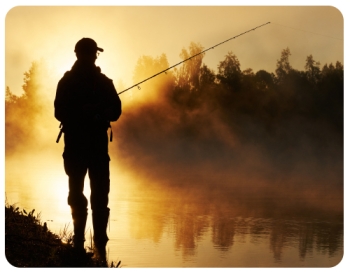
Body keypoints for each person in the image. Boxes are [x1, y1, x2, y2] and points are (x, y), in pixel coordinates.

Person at [54, 38, 122, 262]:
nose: (93, 57)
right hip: (80, 148)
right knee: (82, 194)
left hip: (88, 149)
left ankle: (95, 245)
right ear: (84, 55)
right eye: (91, 53)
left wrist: (99, 111)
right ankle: (83, 243)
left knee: (94, 195)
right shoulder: (73, 81)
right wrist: (83, 112)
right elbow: (59, 112)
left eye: (93, 54)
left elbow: (116, 111)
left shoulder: (101, 82)